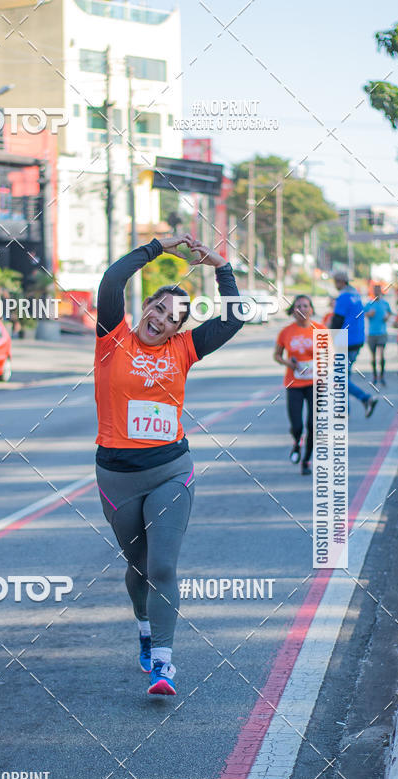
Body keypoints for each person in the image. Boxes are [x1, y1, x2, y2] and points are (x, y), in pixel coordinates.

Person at [95, 234, 244, 696]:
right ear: (146, 310)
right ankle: (144, 625)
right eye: (157, 309)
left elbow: (236, 315)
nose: (160, 319)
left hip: (170, 471)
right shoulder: (111, 338)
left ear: (179, 328)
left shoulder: (184, 350)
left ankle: (163, 663)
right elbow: (111, 279)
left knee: (162, 567)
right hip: (117, 478)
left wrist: (220, 264)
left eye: (172, 318)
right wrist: (159, 247)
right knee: (137, 567)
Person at [273, 295, 322, 476]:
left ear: (311, 309)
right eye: (298, 306)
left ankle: (307, 459)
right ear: (293, 310)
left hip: (316, 383)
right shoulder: (286, 332)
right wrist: (288, 363)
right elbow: (277, 355)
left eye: (306, 306)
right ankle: (296, 442)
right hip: (293, 383)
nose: (302, 309)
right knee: (297, 426)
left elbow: (331, 356)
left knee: (312, 424)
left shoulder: (320, 329)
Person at [330, 271, 377, 417]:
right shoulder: (356, 295)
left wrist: (330, 340)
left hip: (345, 341)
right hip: (357, 339)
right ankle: (344, 410)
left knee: (338, 377)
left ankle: (365, 398)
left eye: (336, 281)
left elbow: (337, 320)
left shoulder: (343, 297)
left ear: (340, 282)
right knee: (344, 375)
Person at [364, 285, 391, 385]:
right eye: (375, 291)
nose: (377, 293)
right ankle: (375, 376)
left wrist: (387, 316)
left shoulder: (385, 303)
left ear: (380, 292)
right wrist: (368, 314)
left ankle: (382, 376)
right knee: (373, 356)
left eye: (378, 291)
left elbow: (389, 312)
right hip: (372, 333)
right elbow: (363, 313)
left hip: (382, 333)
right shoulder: (369, 303)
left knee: (382, 355)